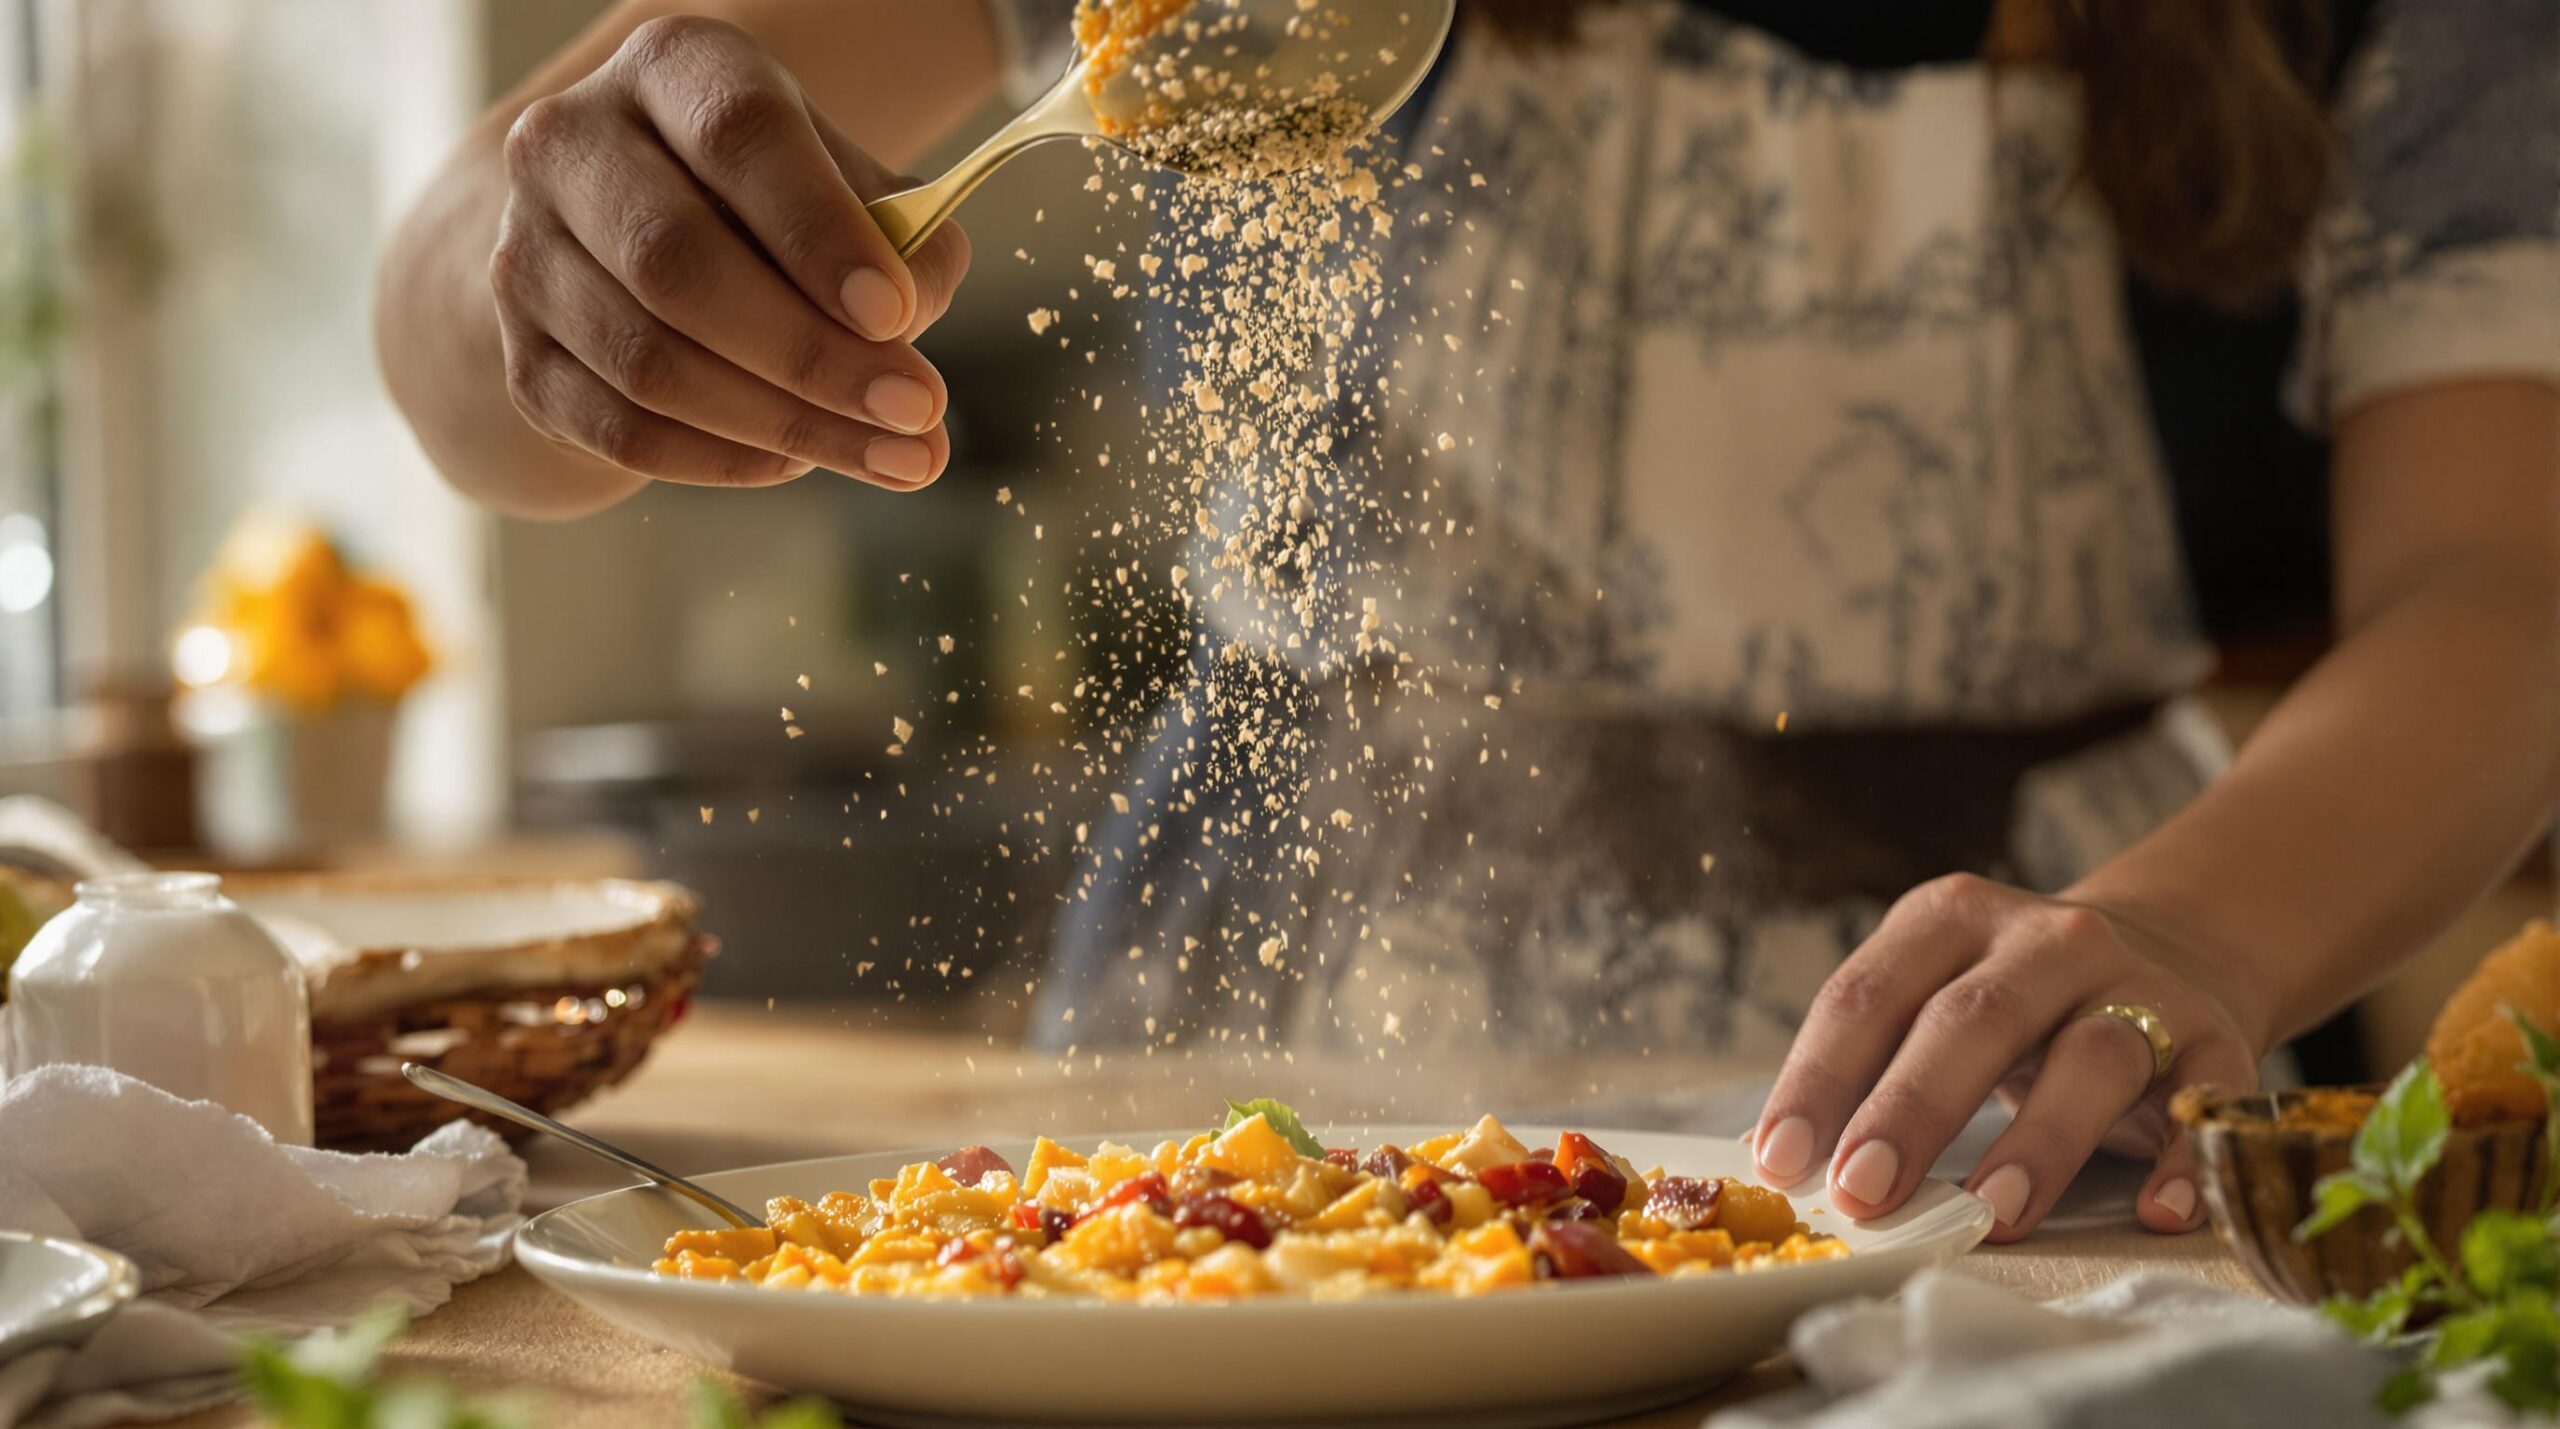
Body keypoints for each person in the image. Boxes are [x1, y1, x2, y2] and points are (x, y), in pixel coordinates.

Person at [377, 0, 2560, 1244]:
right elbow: (455, 333)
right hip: (1248, 1041)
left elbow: (2498, 579)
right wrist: (546, 263)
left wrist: (2185, 931)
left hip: (2013, 1066)